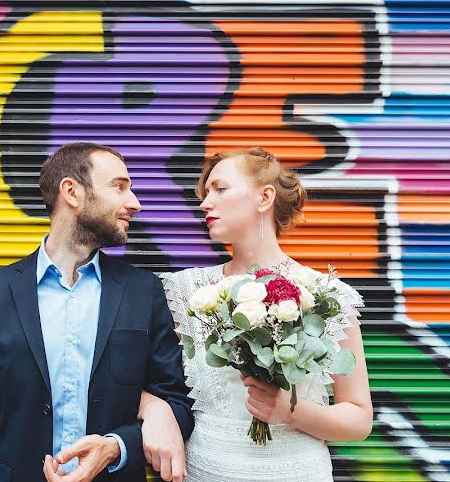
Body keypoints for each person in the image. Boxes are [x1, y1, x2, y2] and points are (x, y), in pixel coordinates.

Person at [0, 142, 193, 482]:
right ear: (72, 192)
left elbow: (179, 407)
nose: (134, 203)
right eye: (119, 187)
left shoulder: (144, 291)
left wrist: (116, 447)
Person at [140, 147, 373, 482]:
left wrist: (291, 411)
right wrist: (154, 408)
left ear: (264, 197)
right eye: (205, 194)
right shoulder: (184, 291)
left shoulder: (327, 295)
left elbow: (359, 420)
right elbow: (137, 378)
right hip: (207, 470)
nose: (205, 203)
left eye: (220, 189)